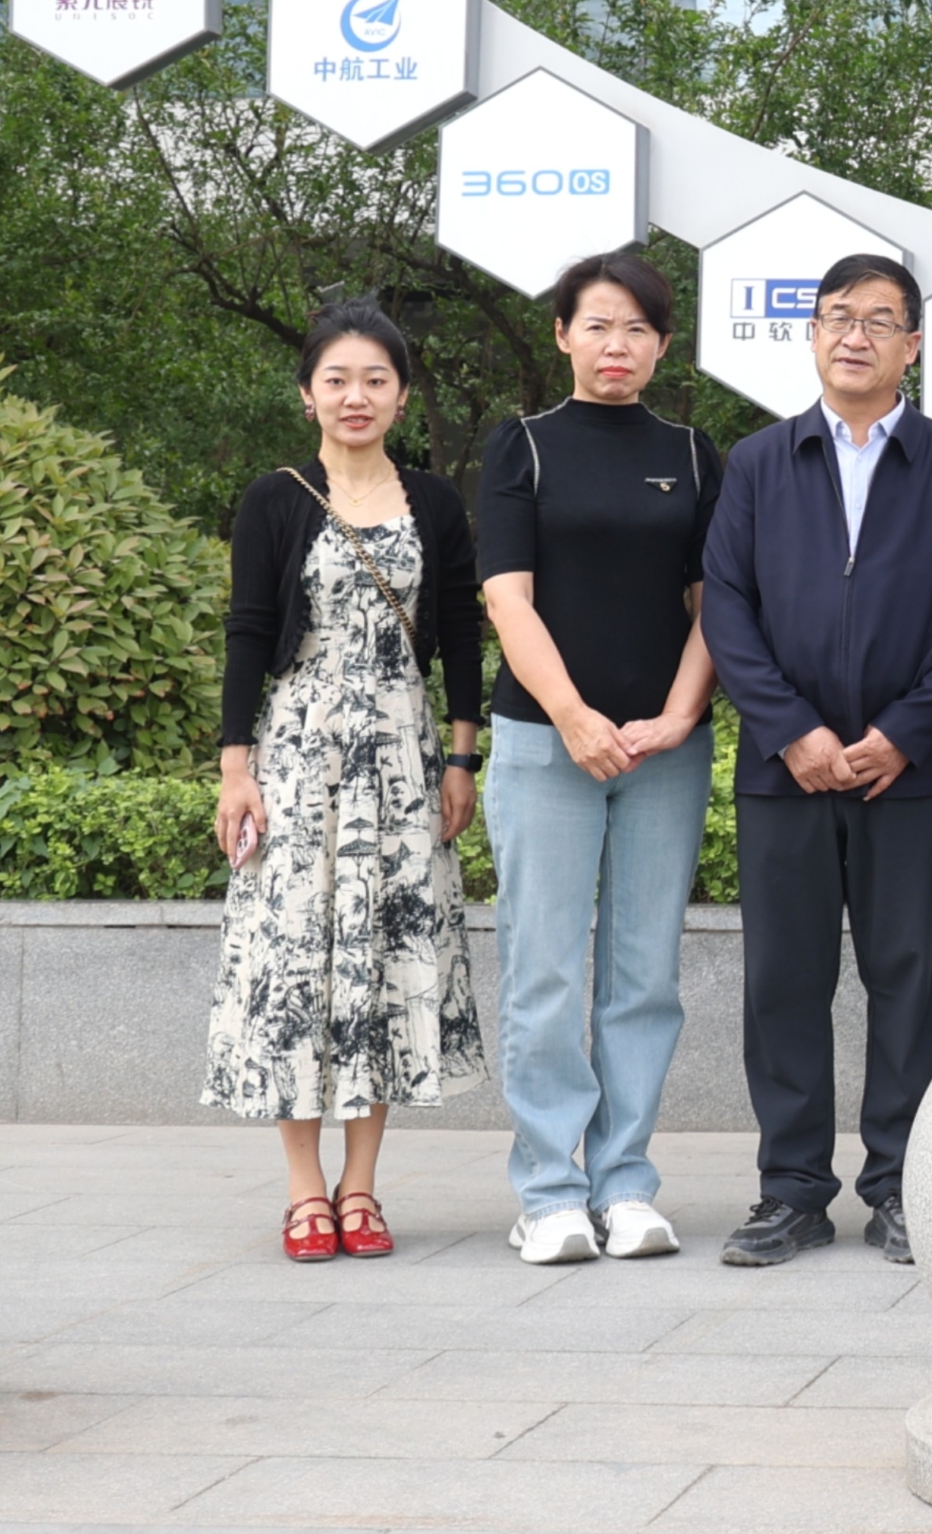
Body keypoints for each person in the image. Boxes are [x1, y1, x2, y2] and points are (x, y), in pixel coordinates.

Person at [700, 253, 932, 1269]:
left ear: (913, 343)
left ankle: (902, 1181)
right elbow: (727, 605)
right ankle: (791, 1189)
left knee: (906, 977)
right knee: (784, 980)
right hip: (784, 771)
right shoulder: (758, 462)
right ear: (813, 334)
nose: (855, 335)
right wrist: (792, 730)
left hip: (908, 773)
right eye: (837, 316)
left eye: (878, 319)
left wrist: (904, 732)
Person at [207, 301, 485, 1263]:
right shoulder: (274, 498)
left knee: (384, 958)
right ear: (308, 394)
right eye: (337, 379)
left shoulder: (435, 502)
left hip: (403, 759)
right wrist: (235, 770)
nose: (355, 395)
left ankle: (360, 1187)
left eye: (376, 379)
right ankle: (303, 1189)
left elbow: (461, 632)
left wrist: (461, 759)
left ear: (401, 395)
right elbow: (249, 631)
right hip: (296, 757)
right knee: (297, 960)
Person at [476, 254, 726, 1266]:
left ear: (662, 345)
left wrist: (678, 714)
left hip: (666, 748)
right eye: (596, 325)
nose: (616, 345)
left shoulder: (693, 453)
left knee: (643, 974)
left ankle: (624, 1184)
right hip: (547, 742)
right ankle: (547, 1191)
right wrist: (575, 716)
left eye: (636, 329)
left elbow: (714, 604)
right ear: (562, 335)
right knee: (542, 969)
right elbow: (507, 597)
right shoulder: (524, 446)